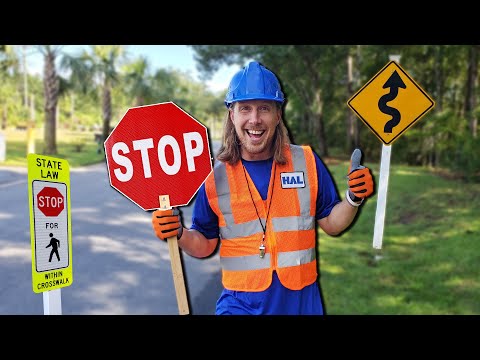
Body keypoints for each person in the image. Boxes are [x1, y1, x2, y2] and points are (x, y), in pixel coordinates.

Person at [152, 61, 374, 315]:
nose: (255, 119)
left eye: (264, 108)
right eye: (245, 108)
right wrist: (178, 232)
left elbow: (332, 224)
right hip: (240, 305)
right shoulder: (214, 176)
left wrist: (353, 198)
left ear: (278, 114)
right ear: (232, 114)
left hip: (301, 305)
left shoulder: (306, 162)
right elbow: (204, 243)